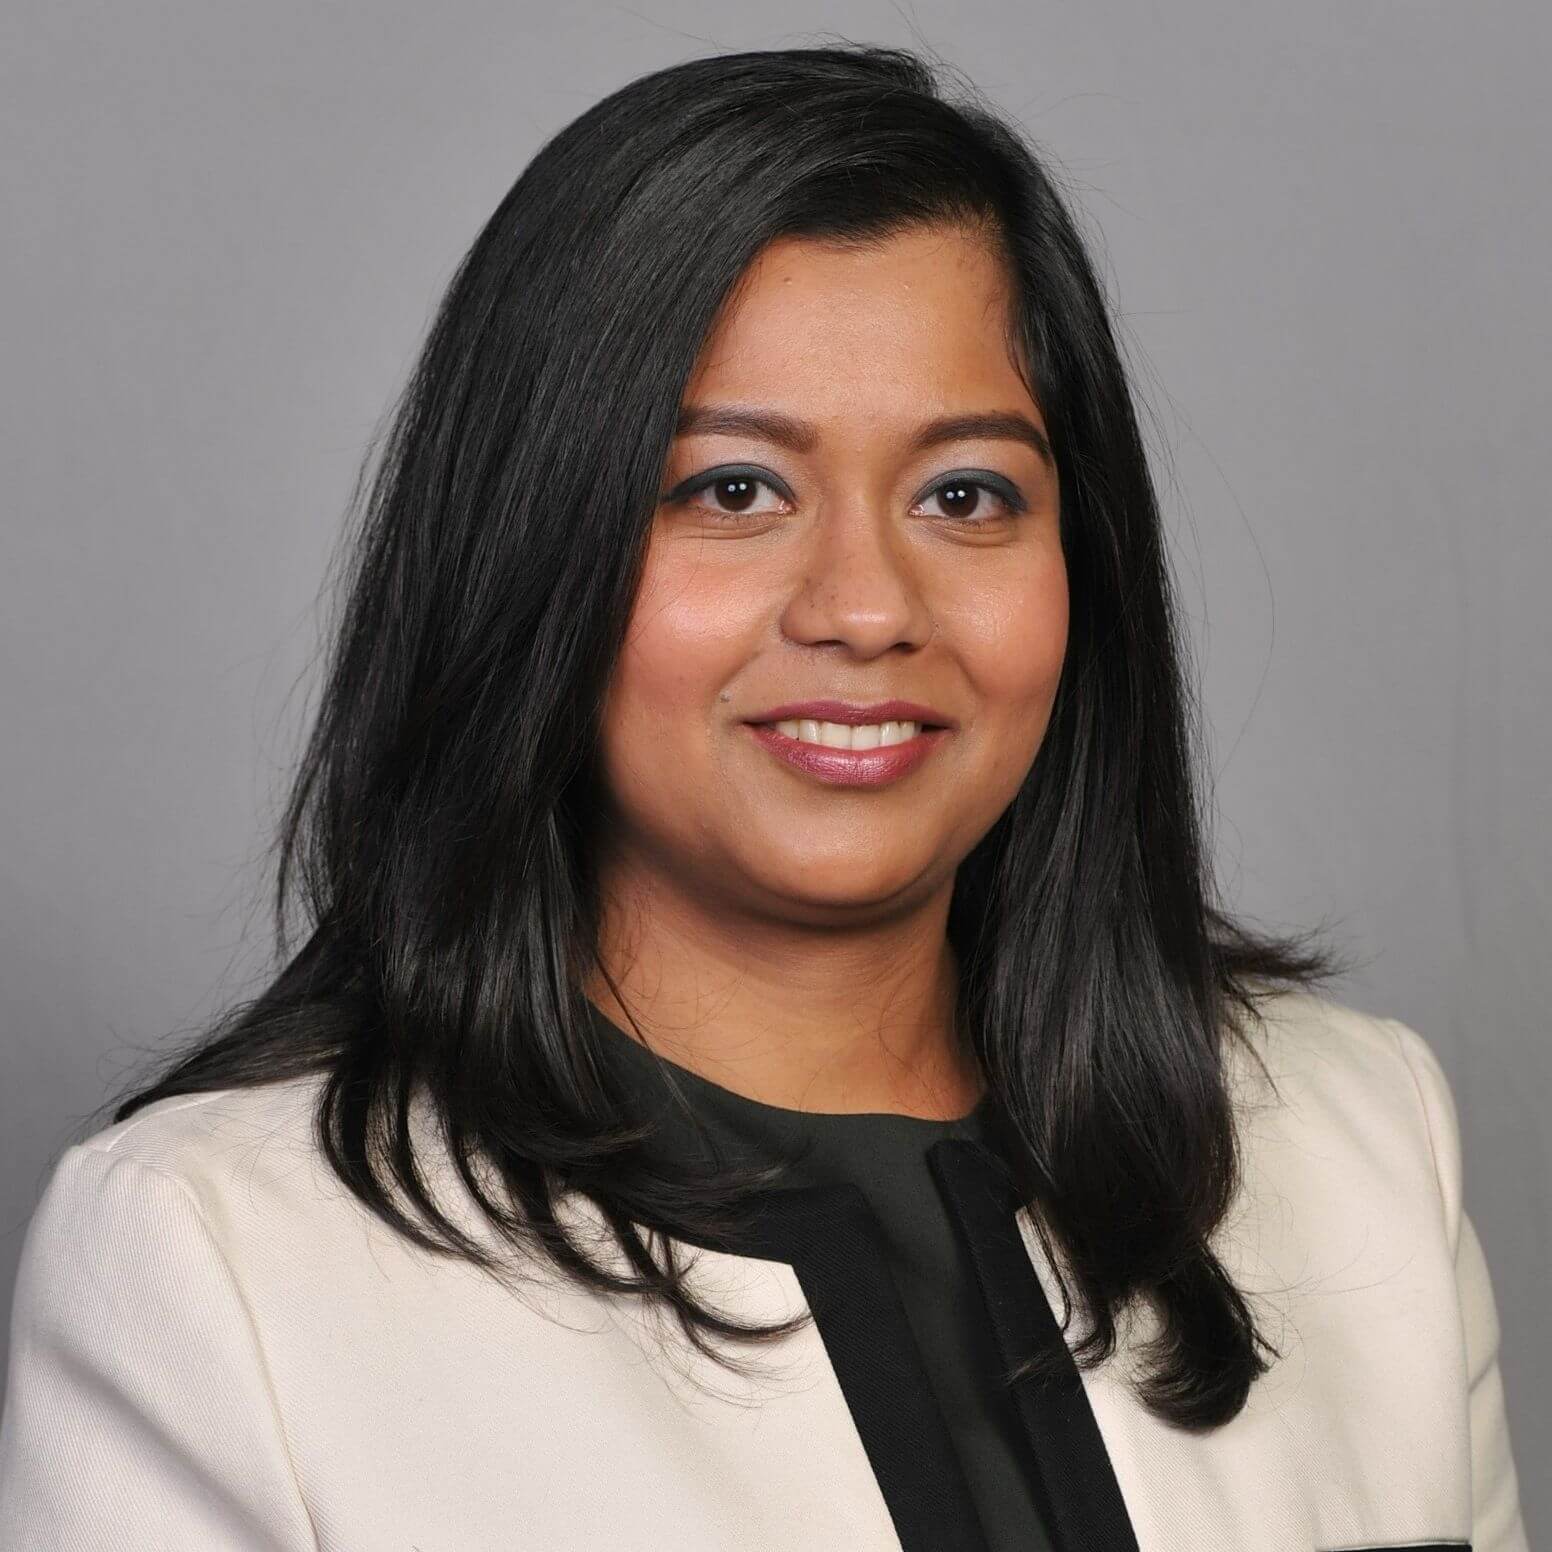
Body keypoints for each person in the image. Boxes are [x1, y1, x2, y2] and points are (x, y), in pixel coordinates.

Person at [0, 41, 1528, 1552]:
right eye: (731, 489)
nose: (867, 607)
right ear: (532, 555)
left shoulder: (1358, 1145)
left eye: (965, 494)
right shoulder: (217, 1265)